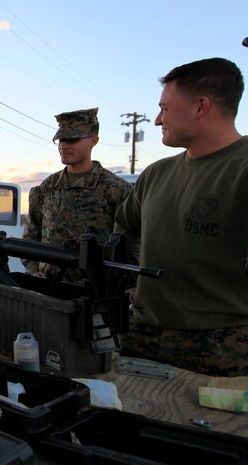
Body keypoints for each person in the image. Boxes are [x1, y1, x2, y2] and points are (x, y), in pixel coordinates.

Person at [114, 57, 248, 377]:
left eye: (166, 108)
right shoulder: (157, 173)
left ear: (201, 107)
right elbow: (124, 227)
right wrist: (132, 280)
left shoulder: (242, 170)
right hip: (141, 337)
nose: (158, 120)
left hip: (222, 350)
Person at [22, 108, 132, 282]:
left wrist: (130, 284)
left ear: (93, 141)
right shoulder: (48, 187)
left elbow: (130, 245)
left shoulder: (116, 189)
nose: (64, 145)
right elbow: (31, 235)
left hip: (95, 291)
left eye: (72, 139)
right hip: (49, 288)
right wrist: (33, 269)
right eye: (61, 140)